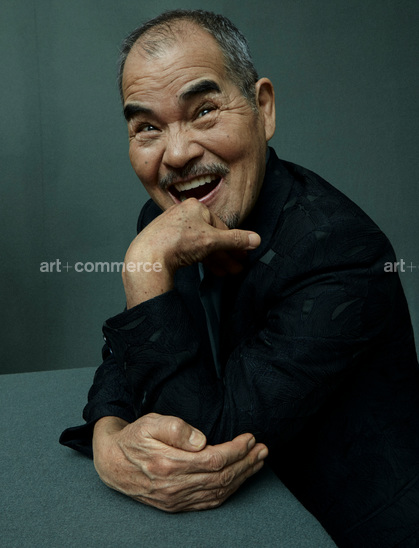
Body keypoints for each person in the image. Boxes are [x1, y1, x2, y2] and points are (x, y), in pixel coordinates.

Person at [60, 9, 419, 547]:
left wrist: (145, 269)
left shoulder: (339, 250)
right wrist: (109, 441)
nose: (177, 154)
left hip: (351, 526)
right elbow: (128, 359)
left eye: (204, 111)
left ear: (263, 109)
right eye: (148, 127)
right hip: (252, 520)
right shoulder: (167, 225)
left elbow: (202, 448)